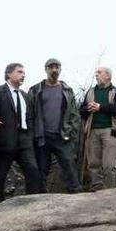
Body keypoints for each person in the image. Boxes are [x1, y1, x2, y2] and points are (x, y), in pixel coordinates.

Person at [0, 63, 41, 205]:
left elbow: (29, 117)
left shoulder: (25, 95)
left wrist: (29, 136)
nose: (23, 75)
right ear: (9, 74)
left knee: (33, 171)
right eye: (19, 72)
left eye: (24, 72)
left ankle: (32, 203)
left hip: (24, 139)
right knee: (0, 174)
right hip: (5, 139)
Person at [28, 58, 82, 193]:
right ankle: (39, 199)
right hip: (42, 136)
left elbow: (74, 114)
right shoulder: (35, 90)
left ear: (60, 69)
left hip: (63, 136)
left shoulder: (67, 90)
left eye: (57, 67)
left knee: (70, 167)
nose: (54, 70)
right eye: (51, 67)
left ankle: (76, 196)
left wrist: (72, 132)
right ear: (45, 69)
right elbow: (29, 114)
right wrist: (32, 134)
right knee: (41, 169)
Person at [79, 67, 116, 190]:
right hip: (92, 130)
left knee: (109, 164)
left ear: (108, 76)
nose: (96, 75)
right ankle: (96, 188)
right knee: (93, 163)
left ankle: (109, 191)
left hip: (110, 131)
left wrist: (101, 108)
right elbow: (81, 111)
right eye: (96, 72)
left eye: (99, 73)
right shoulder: (90, 92)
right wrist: (87, 109)